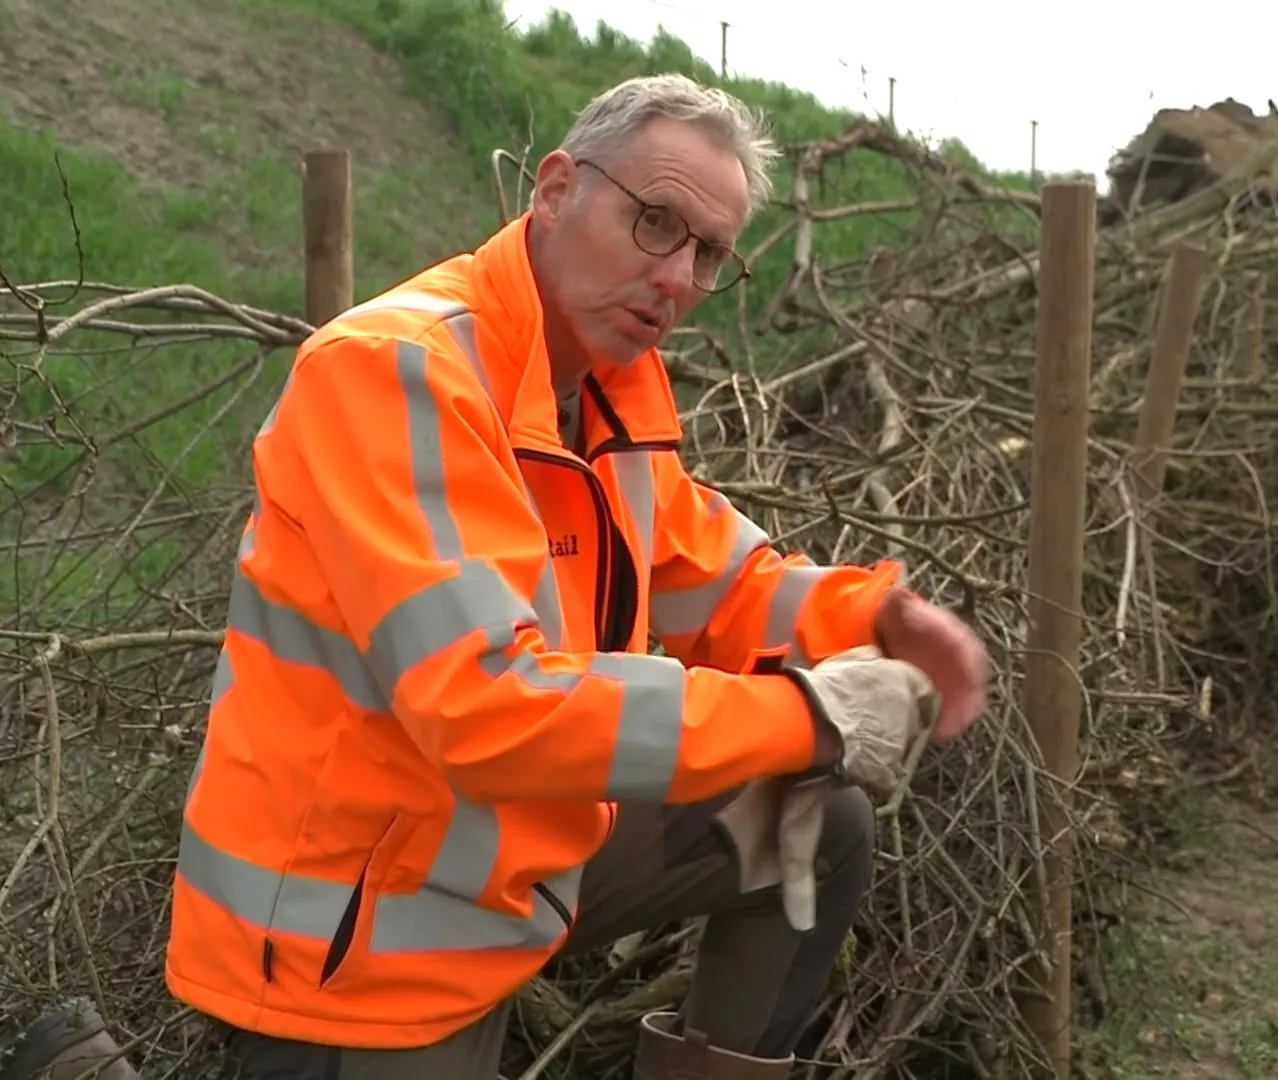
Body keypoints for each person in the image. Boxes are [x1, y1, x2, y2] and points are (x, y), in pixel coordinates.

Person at [0, 73, 989, 1080]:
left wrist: (876, 615)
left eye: (709, 253)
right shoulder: (398, 373)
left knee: (820, 825)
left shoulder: (603, 390)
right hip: (359, 934)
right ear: (556, 188)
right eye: (655, 222)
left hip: (501, 859)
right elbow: (488, 707)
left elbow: (715, 582)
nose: (678, 276)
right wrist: (811, 718)